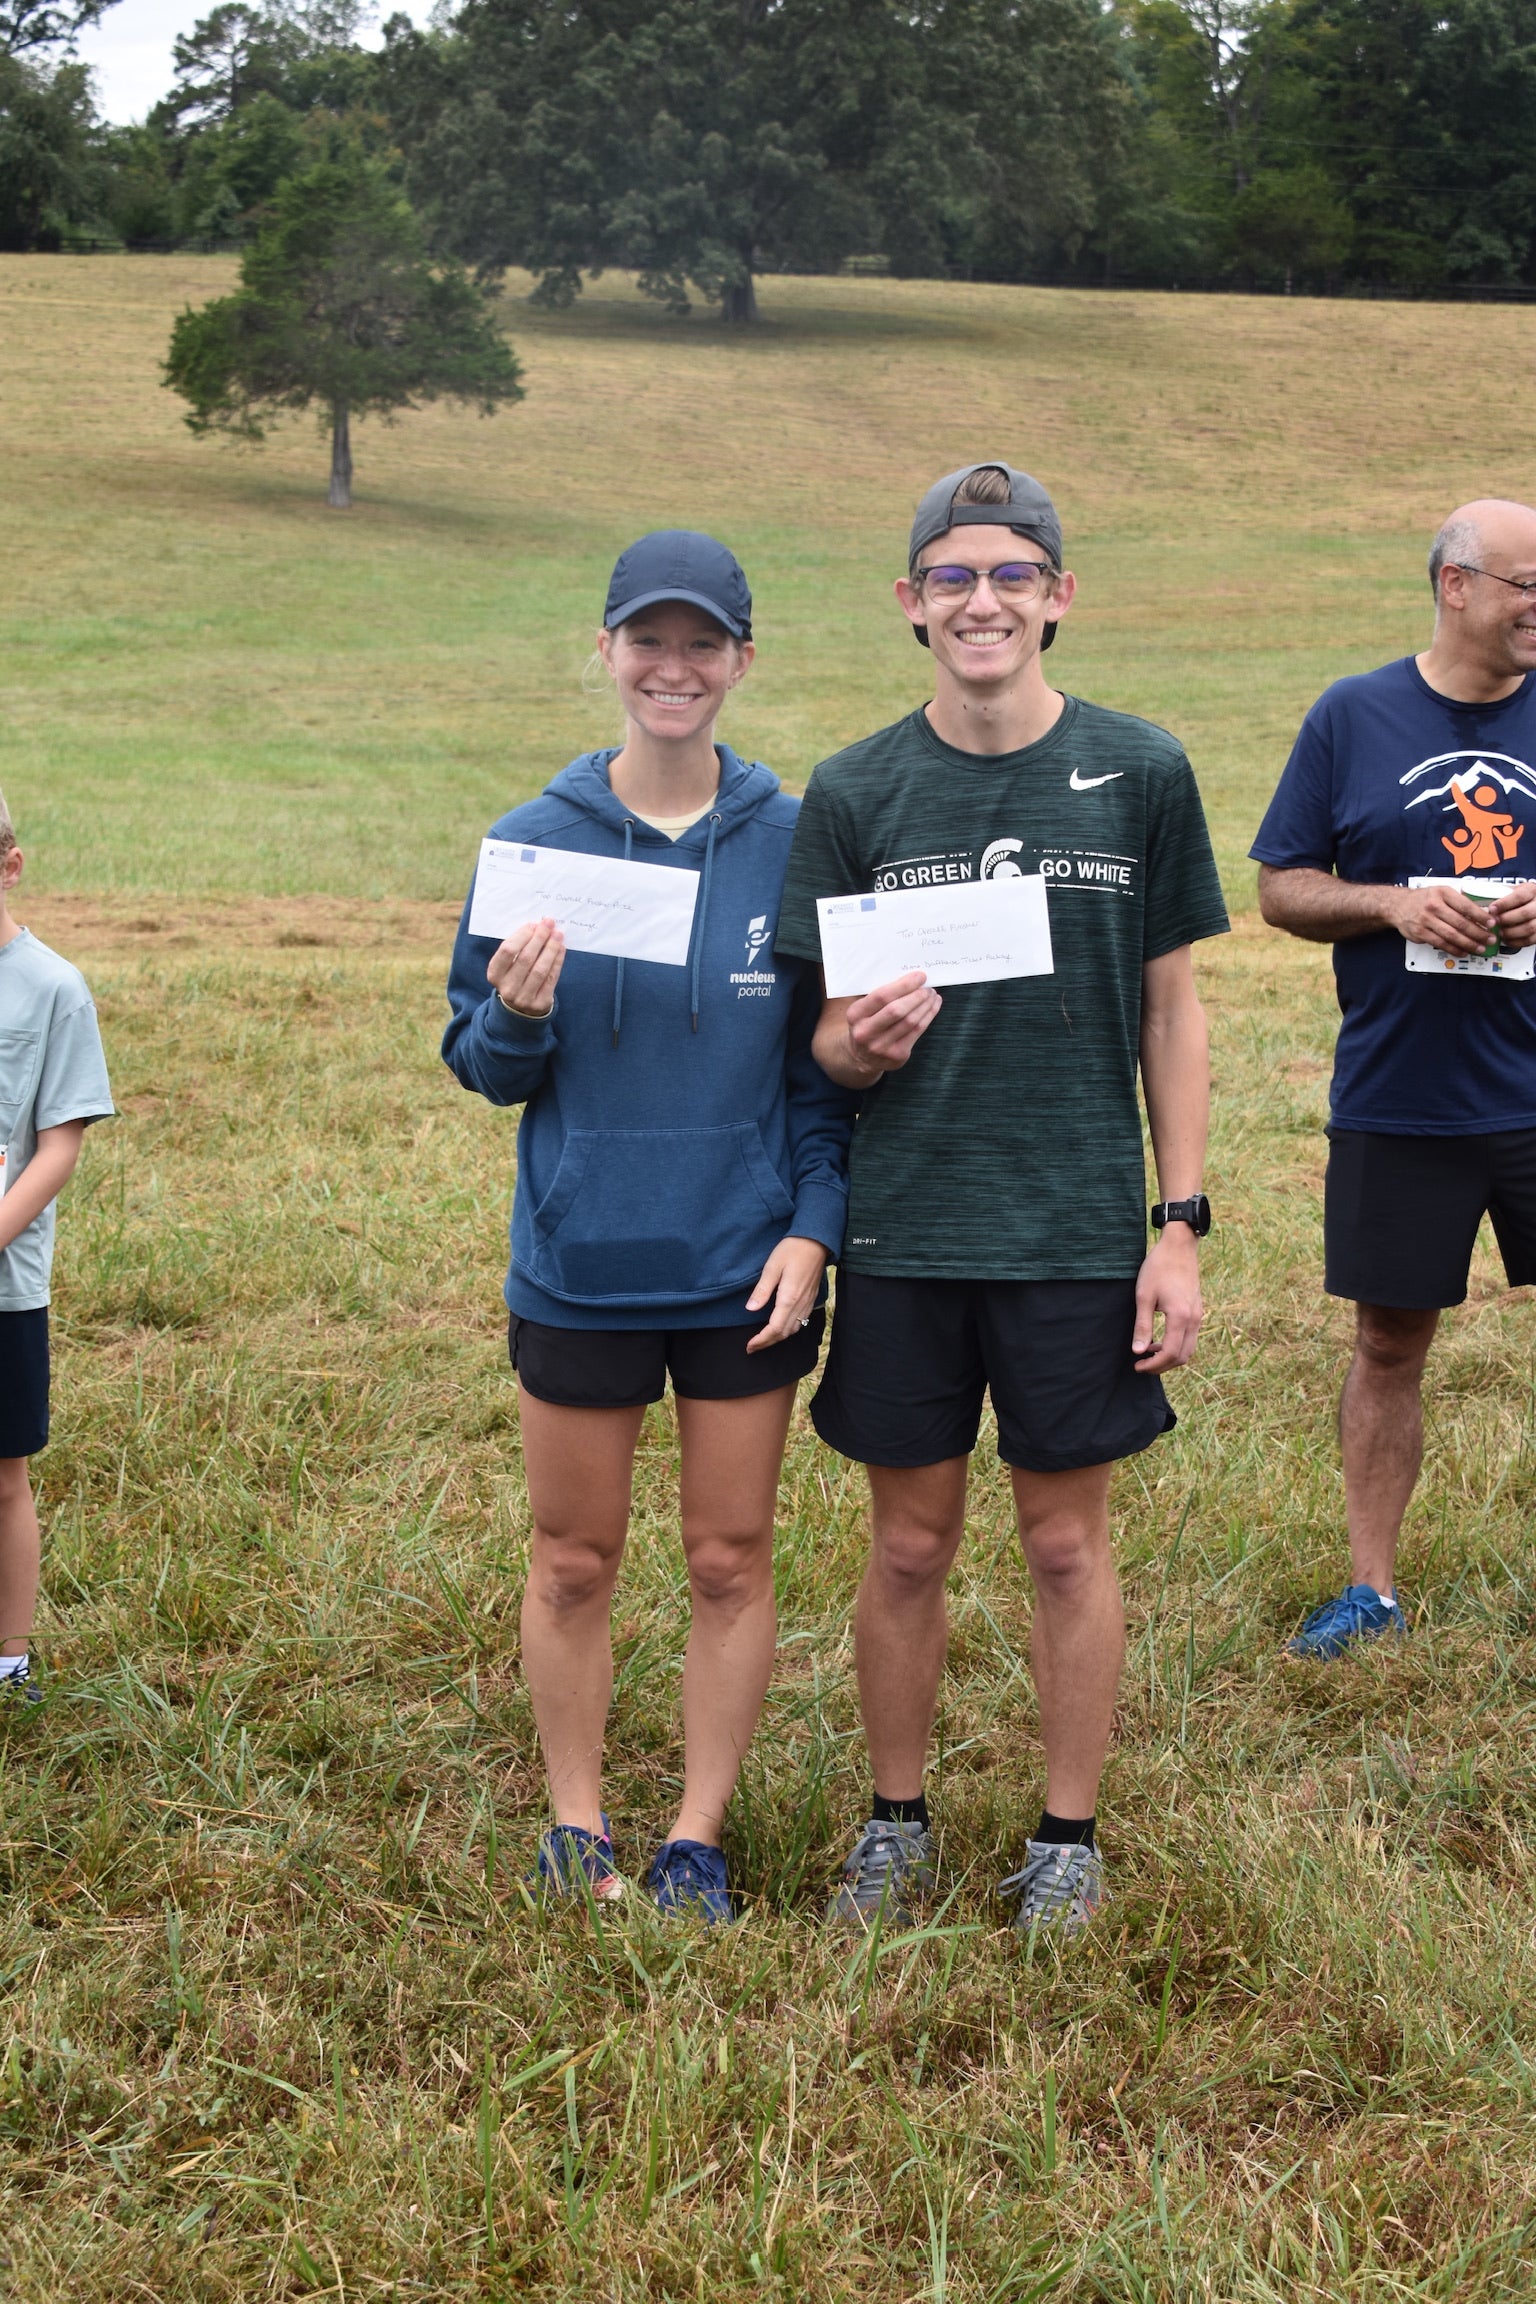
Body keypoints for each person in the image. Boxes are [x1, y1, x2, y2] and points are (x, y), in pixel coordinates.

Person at [774, 462, 1228, 1935]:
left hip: (1073, 1230)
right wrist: (859, 1044)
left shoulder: (1140, 769)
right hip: (909, 1229)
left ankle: (1067, 1838)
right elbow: (821, 1044)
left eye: (1011, 574)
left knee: (1063, 1544)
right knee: (908, 1544)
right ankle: (894, 1823)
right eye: (954, 577)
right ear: (912, 604)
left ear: (1058, 596)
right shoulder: (855, 789)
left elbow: (1172, 1011)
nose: (984, 601)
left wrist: (1178, 1226)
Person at [443, 532, 854, 1923]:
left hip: (744, 1268)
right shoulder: (535, 841)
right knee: (574, 1560)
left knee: (729, 1558)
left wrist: (814, 1228)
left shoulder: (797, 842)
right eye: (648, 641)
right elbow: (482, 1065)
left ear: (742, 661)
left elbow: (824, 1075)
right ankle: (576, 1823)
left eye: (701, 644)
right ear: (608, 652)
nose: (673, 668)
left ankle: (695, 1838)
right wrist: (518, 1015)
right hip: (581, 1265)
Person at [1253, 498, 1536, 1658]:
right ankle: (1371, 1589)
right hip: (1402, 1093)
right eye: (1528, 584)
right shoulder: (1353, 714)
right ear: (1455, 584)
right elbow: (1282, 885)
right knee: (1388, 1343)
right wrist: (1392, 904)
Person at [0, 788, 115, 1701]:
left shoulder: (52, 988)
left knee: (4, 1478)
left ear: (10, 865)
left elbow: (58, 1145)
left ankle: (10, 1661)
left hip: (6, 1286)